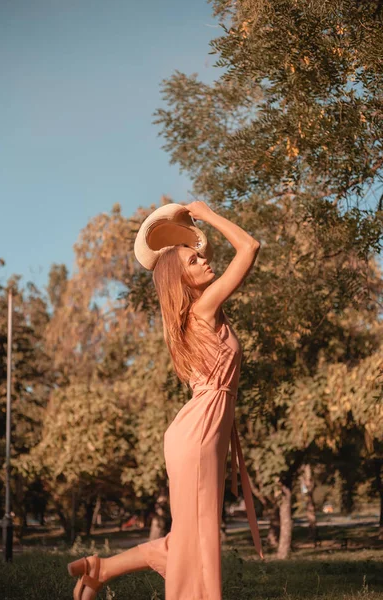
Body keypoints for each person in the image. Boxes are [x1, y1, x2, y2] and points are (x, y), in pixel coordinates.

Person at [67, 200, 263, 600]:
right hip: (199, 437)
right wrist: (206, 215)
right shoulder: (203, 310)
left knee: (189, 540)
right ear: (181, 279)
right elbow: (250, 248)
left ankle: (99, 570)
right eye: (195, 260)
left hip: (200, 433)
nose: (206, 261)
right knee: (198, 543)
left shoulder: (197, 316)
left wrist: (193, 234)